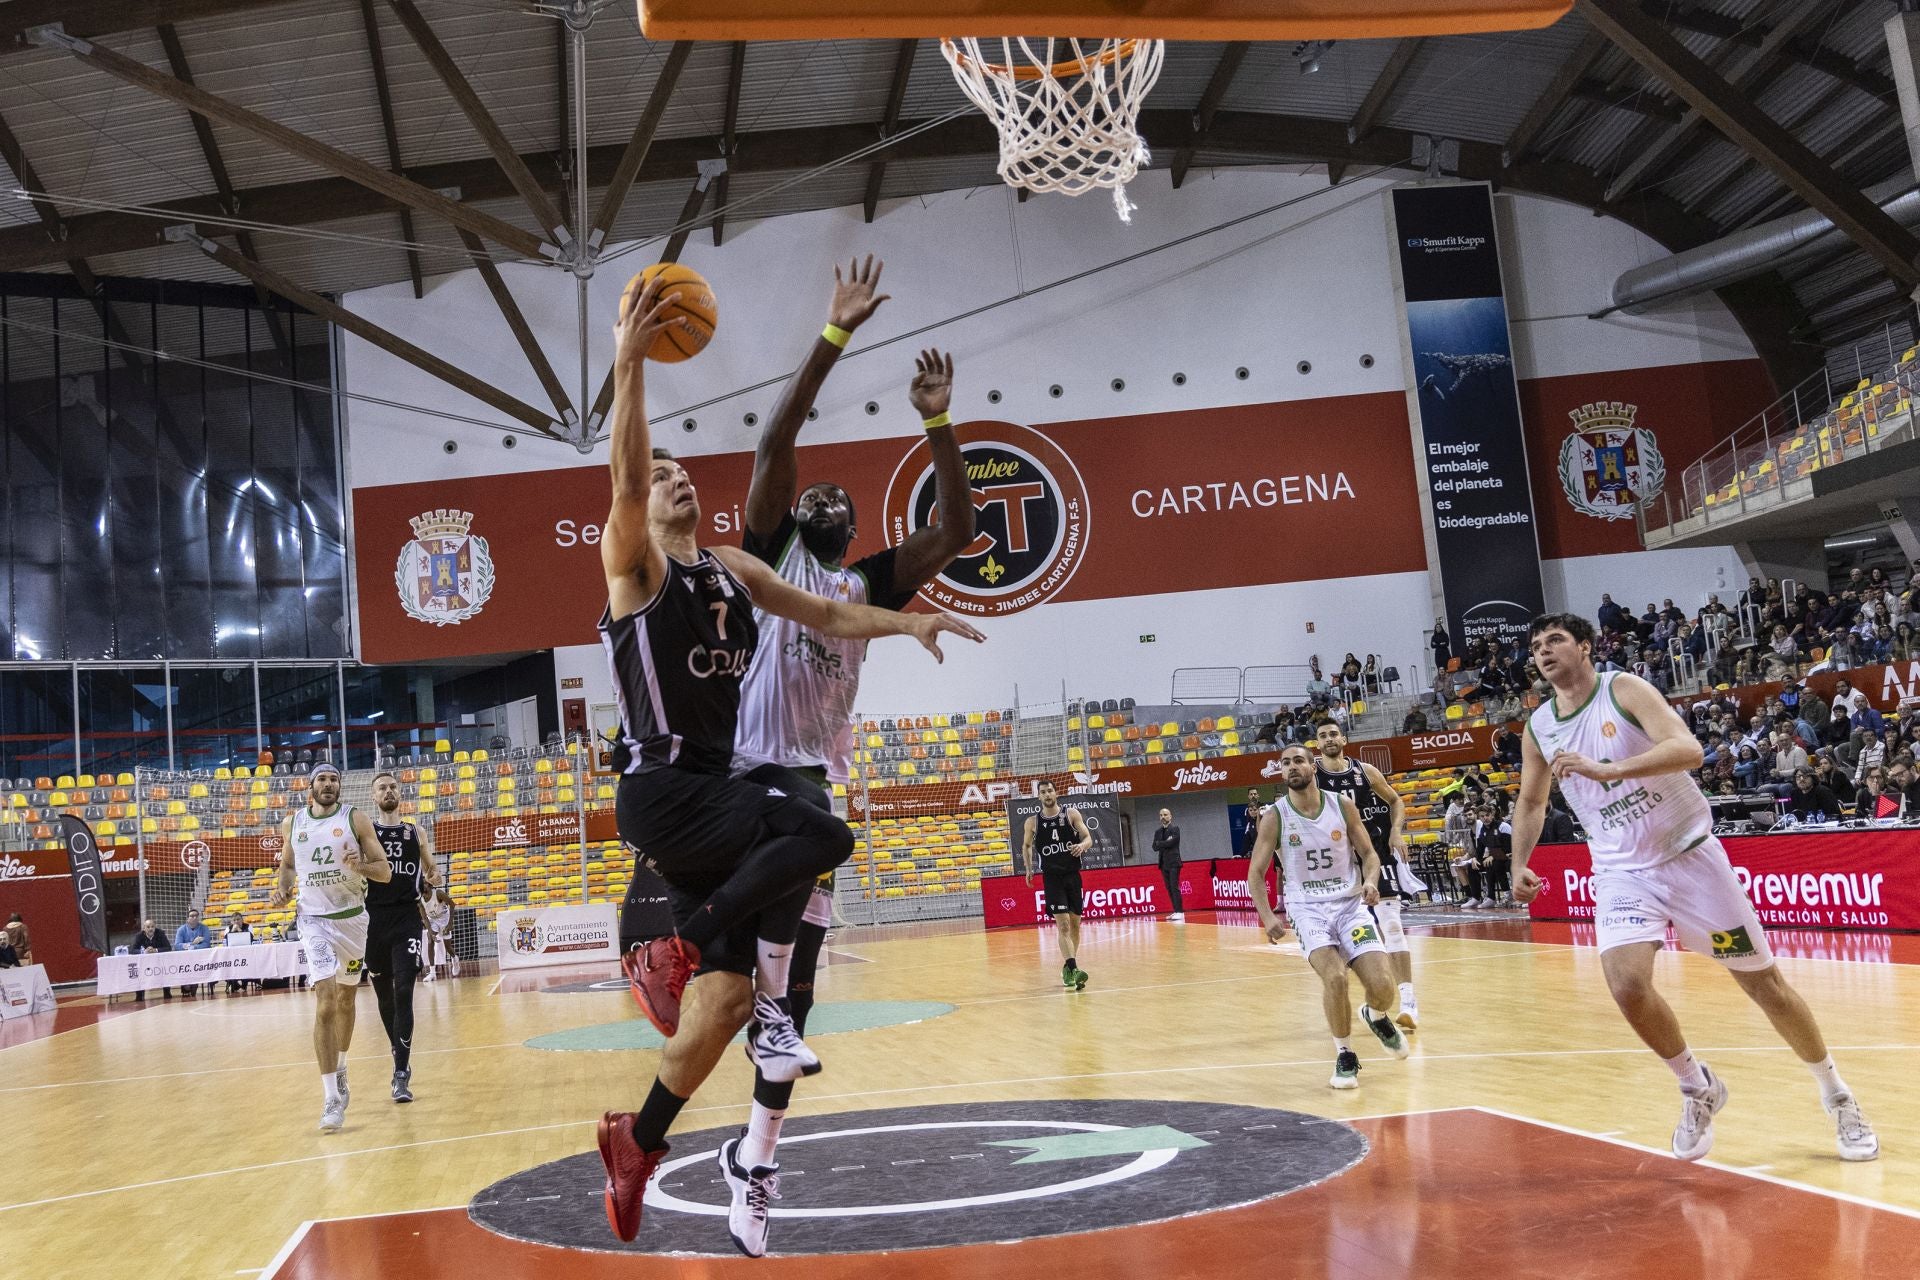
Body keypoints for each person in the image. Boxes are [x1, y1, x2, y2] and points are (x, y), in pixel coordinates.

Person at [593, 273, 982, 1246]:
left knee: (730, 1002)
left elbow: (833, 612)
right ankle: (680, 947)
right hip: (666, 787)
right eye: (667, 472)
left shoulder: (740, 568)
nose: (678, 478)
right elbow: (630, 479)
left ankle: (637, 1138)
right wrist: (630, 359)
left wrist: (912, 619)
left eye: (689, 472)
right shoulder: (640, 567)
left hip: (720, 796)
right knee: (816, 831)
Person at [717, 264, 975, 1258]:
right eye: (811, 487)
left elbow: (953, 529)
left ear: (855, 529)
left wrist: (939, 425)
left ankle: (756, 1160)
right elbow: (778, 441)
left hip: (811, 792)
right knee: (744, 990)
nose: (821, 486)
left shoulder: (865, 580)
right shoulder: (772, 546)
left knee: (797, 999)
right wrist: (832, 333)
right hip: (747, 781)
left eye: (840, 493)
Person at [1512, 613, 1877, 1163]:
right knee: (1626, 985)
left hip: (1690, 857)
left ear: (1584, 646)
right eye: (1536, 646)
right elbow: (1532, 801)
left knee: (1764, 986)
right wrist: (1521, 861)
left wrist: (1608, 771)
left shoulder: (1623, 689)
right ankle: (1696, 1085)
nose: (1544, 652)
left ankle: (1837, 1095)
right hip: (1621, 872)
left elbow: (1688, 750)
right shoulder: (1540, 726)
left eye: (1555, 640)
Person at [1247, 744, 1410, 1089]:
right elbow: (1256, 873)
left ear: (1313, 766)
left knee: (1383, 987)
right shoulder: (1274, 816)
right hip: (1307, 909)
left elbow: (1369, 854)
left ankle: (1375, 1014)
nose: (1292, 767)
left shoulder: (1342, 805)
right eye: (1285, 763)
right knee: (1335, 977)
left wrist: (1369, 881)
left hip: (1350, 905)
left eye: (1299, 761)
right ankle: (1345, 1053)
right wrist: (1267, 917)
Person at [267, 762, 393, 1133]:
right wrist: (283, 888)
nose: (328, 784)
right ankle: (330, 1100)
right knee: (324, 1000)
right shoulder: (293, 823)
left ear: (340, 787)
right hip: (313, 920)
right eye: (322, 778)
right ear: (311, 786)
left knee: (346, 1000)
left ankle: (341, 1066)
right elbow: (288, 865)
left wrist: (361, 868)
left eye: (334, 779)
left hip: (352, 919)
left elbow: (384, 872)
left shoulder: (357, 820)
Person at [1312, 720, 1421, 1028]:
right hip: (1338, 864)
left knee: (1392, 925)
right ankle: (1374, 1004)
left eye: (1334, 733)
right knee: (1347, 941)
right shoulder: (1313, 776)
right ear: (1316, 744)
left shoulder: (1365, 771)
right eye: (1323, 736)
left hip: (1373, 856)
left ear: (1343, 738)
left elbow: (1396, 800)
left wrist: (1396, 832)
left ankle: (1410, 1003)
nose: (1330, 738)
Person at [364, 771, 438, 1104]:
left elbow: (432, 869)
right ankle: (397, 1048)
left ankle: (401, 1074)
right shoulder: (366, 832)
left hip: (407, 917)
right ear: (374, 796)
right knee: (384, 996)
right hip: (373, 920)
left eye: (393, 786)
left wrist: (434, 875)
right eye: (382, 788)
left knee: (405, 989)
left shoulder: (415, 831)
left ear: (401, 792)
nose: (389, 791)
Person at [1022, 780, 1094, 990]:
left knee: (1074, 926)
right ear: (1039, 796)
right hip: (1052, 878)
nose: (1047, 794)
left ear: (1056, 792)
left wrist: (1082, 845)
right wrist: (1028, 869)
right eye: (1043, 792)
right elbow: (1026, 846)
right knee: (1062, 925)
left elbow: (1088, 837)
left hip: (1072, 876)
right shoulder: (1033, 822)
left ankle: (1067, 968)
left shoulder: (1070, 814)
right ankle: (1074, 968)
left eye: (1050, 790)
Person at [1151, 808, 1185, 922]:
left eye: (1165, 815)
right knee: (1169, 888)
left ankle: (1180, 912)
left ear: (1170, 816)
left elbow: (1172, 842)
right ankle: (1175, 911)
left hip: (1174, 862)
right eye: (1161, 815)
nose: (1163, 817)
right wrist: (1164, 843)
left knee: (1174, 887)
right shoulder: (1158, 832)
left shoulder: (1175, 829)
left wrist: (1160, 843)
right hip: (1163, 863)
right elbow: (1154, 847)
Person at [175, 907, 213, 997]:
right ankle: (188, 985)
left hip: (202, 958)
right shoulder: (181, 930)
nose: (194, 918)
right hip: (185, 959)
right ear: (187, 918)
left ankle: (194, 984)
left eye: (196, 916)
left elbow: (206, 944)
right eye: (192, 916)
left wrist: (193, 947)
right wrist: (192, 944)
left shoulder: (204, 928)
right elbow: (177, 945)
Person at [130, 917, 172, 1001]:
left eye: (152, 926)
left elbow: (168, 948)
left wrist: (155, 950)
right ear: (144, 928)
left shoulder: (160, 933)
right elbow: (132, 950)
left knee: (165, 970)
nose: (150, 929)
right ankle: (139, 995)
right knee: (139, 973)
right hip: (144, 963)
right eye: (148, 927)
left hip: (159, 961)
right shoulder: (139, 936)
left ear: (155, 927)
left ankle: (167, 992)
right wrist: (144, 951)